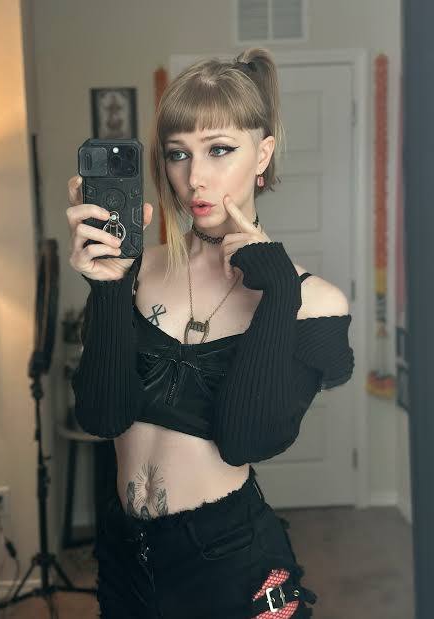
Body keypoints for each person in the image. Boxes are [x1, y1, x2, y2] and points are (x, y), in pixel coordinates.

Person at [66, 47, 354, 619]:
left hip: (229, 561)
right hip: (125, 556)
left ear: (262, 154)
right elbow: (102, 417)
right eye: (178, 153)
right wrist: (108, 288)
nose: (194, 177)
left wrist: (278, 296)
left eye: (219, 149)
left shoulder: (314, 301)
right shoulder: (134, 271)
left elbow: (247, 441)